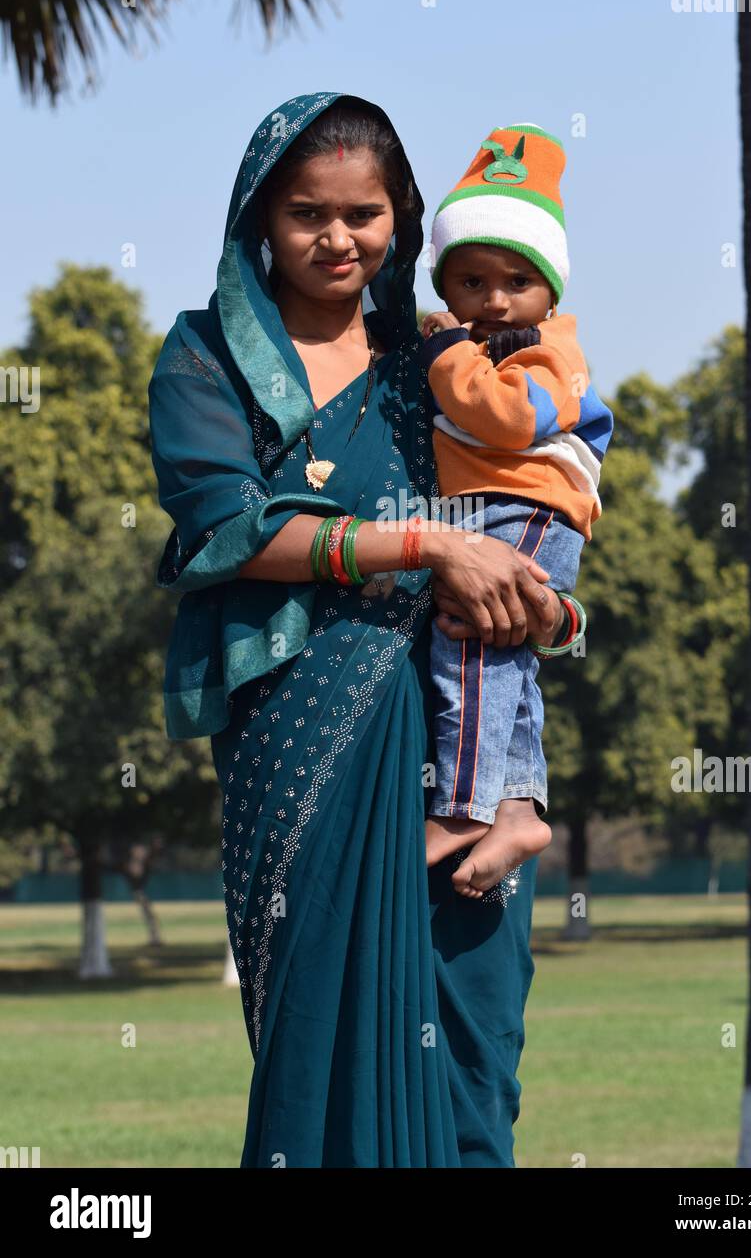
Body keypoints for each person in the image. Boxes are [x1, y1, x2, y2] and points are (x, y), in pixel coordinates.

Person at [147, 92, 569, 1168]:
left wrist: (550, 605)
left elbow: (530, 497)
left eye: (363, 214)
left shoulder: (435, 361)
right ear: (261, 217)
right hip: (299, 744)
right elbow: (226, 525)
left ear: (401, 220)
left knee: (472, 1044)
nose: (337, 238)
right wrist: (423, 545)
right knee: (317, 1037)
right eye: (307, 214)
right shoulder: (206, 356)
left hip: (458, 749)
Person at [418, 123, 614, 898]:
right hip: (509, 507)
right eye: (471, 282)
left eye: (517, 280)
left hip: (525, 504)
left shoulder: (548, 351)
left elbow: (507, 419)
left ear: (551, 288)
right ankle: (519, 809)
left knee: (469, 640)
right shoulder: (488, 342)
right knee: (509, 661)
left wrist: (446, 355)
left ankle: (461, 807)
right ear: (445, 287)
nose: (495, 299)